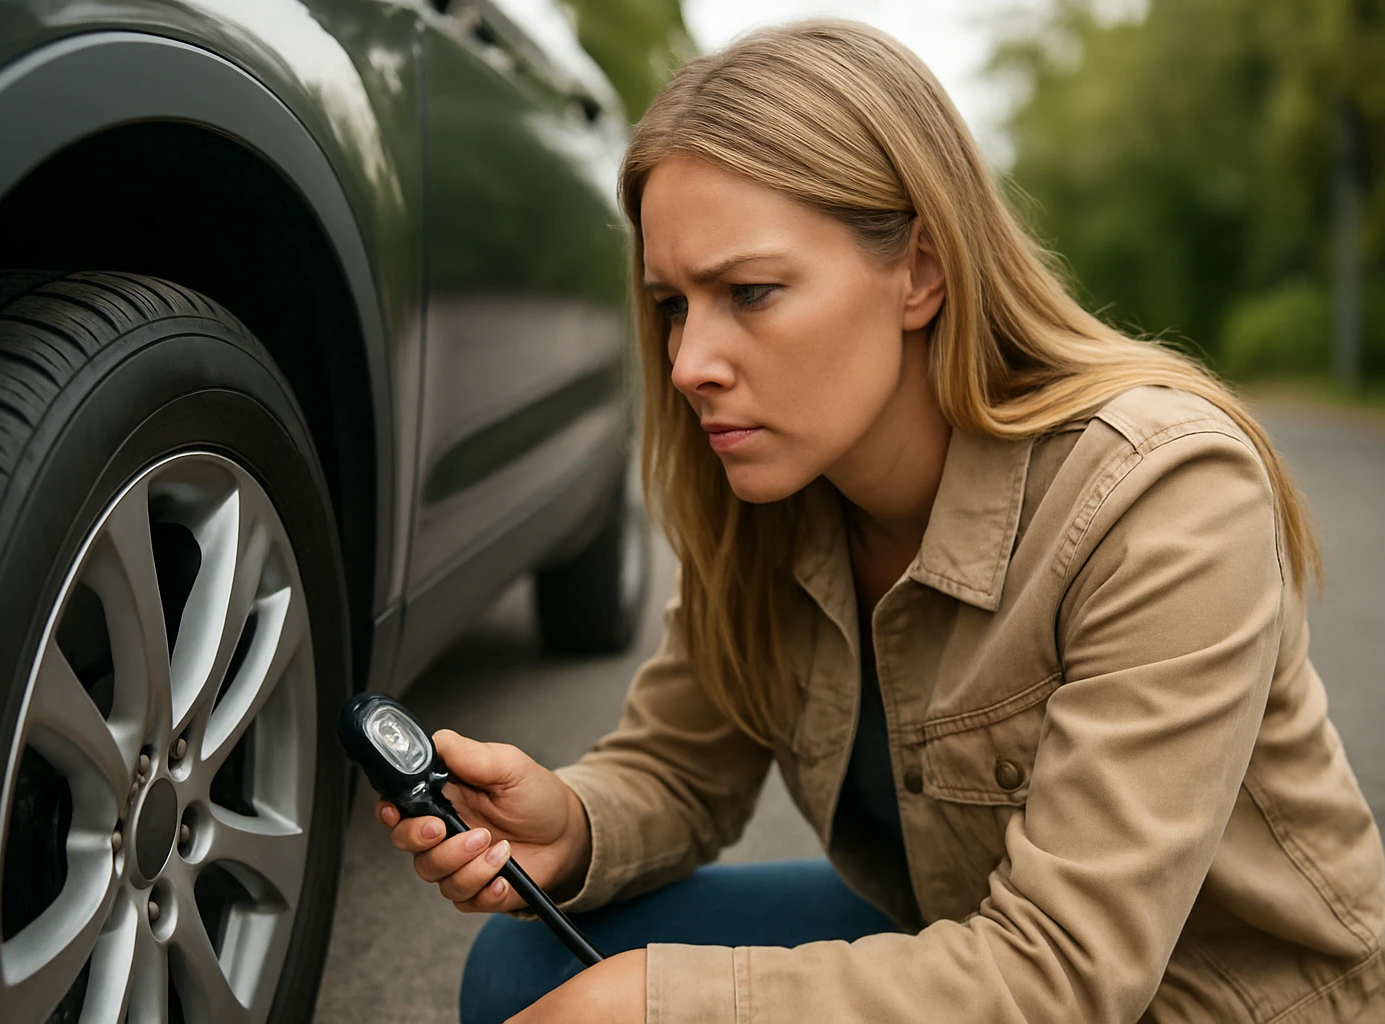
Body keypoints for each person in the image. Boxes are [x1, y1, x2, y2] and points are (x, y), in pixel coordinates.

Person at [375, 19, 1385, 1024]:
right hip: (967, 931)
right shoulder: (779, 492)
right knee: (527, 968)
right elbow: (682, 766)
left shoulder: (1162, 496)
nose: (688, 364)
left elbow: (1062, 977)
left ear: (921, 272)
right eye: (674, 303)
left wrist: (665, 1001)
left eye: (750, 291)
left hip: (1191, 999)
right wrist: (576, 823)